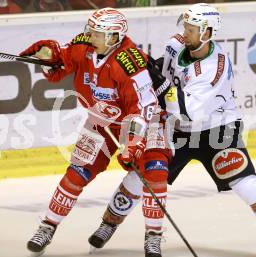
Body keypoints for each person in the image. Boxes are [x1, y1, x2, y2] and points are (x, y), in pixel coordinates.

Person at [90, 3, 256, 257]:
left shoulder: (215, 68)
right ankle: (107, 225)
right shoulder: (176, 44)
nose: (186, 32)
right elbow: (163, 70)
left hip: (217, 131)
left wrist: (157, 84)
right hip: (178, 131)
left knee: (245, 182)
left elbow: (186, 109)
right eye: (186, 26)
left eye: (192, 28)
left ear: (207, 32)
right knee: (141, 176)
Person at [19, 7, 170, 257]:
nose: (91, 36)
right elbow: (61, 64)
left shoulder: (130, 62)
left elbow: (143, 107)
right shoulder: (84, 45)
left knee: (155, 172)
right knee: (77, 173)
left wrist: (132, 143)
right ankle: (47, 226)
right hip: (101, 122)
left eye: (97, 33)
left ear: (114, 37)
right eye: (91, 30)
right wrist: (48, 57)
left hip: (145, 122)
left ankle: (153, 236)